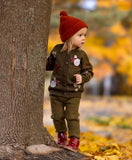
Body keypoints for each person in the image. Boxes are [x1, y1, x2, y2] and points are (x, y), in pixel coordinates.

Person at [46, 11, 93, 152]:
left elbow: (89, 71)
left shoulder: (82, 55)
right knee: (57, 116)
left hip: (74, 93)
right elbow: (48, 65)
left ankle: (74, 140)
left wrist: (82, 78)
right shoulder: (56, 50)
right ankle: (61, 136)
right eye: (80, 35)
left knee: (72, 116)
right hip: (56, 91)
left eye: (85, 35)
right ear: (68, 36)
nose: (83, 38)